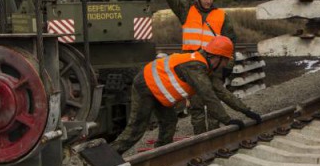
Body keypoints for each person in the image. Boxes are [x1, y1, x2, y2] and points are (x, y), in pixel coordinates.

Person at [111, 36, 261, 155]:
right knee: (136, 128)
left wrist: (247, 111)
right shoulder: (195, 66)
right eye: (225, 61)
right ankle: (110, 157)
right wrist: (228, 120)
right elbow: (208, 96)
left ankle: (160, 153)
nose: (224, 66)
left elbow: (222, 92)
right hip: (145, 86)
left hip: (157, 91)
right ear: (217, 57)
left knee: (169, 120)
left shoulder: (205, 68)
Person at [156, 0, 237, 134]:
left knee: (214, 106)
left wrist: (228, 66)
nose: (209, 1)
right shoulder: (185, 11)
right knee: (197, 107)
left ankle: (214, 138)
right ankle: (200, 139)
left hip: (214, 68)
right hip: (193, 67)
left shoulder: (222, 16)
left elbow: (230, 44)